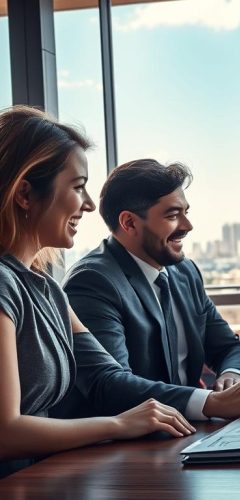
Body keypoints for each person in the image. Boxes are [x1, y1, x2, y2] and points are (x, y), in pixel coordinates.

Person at [0, 106, 196, 478]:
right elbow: (5, 433)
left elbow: (105, 374)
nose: (89, 204)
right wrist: (119, 424)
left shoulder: (49, 292)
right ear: (25, 193)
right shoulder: (4, 286)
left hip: (41, 481)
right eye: (77, 187)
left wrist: (206, 402)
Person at [63, 159, 240, 422]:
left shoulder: (185, 272)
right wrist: (210, 402)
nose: (187, 226)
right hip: (128, 447)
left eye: (186, 212)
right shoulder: (93, 281)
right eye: (172, 215)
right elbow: (112, 387)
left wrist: (231, 378)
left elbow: (229, 347)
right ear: (129, 223)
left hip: (188, 432)